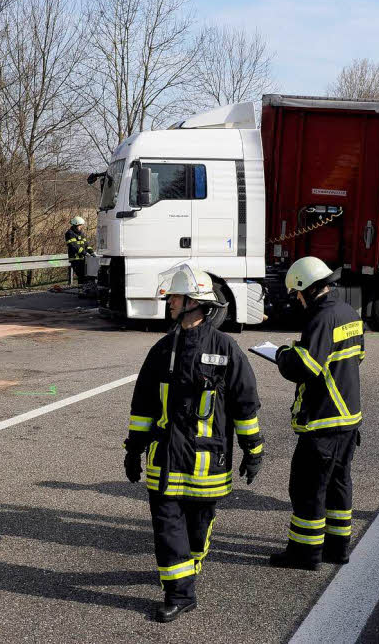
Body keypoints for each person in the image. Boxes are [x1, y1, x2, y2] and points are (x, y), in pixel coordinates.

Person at [124, 265, 263, 623]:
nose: (168, 302)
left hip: (207, 463)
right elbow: (143, 405)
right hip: (166, 459)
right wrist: (134, 449)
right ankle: (180, 593)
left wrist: (253, 448)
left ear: (193, 303)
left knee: (198, 526)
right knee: (167, 525)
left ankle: (189, 564)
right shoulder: (162, 349)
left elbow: (244, 403)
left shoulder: (225, 348)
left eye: (174, 296)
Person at [269, 257, 364, 570]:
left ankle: (304, 553)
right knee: (339, 485)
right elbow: (357, 356)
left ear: (305, 290)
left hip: (324, 421)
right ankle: (338, 548)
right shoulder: (349, 311)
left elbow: (306, 367)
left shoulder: (321, 318)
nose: (296, 300)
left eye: (296, 294)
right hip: (349, 419)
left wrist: (284, 355)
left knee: (307, 488)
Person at [65, 216, 94, 284]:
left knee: (86, 276)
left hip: (83, 259)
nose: (81, 227)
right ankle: (82, 291)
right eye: (80, 225)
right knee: (82, 276)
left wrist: (91, 252)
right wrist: (85, 253)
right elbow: (74, 246)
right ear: (75, 225)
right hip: (75, 259)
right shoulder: (69, 233)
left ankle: (84, 291)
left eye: (81, 225)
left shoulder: (81, 233)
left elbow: (86, 245)